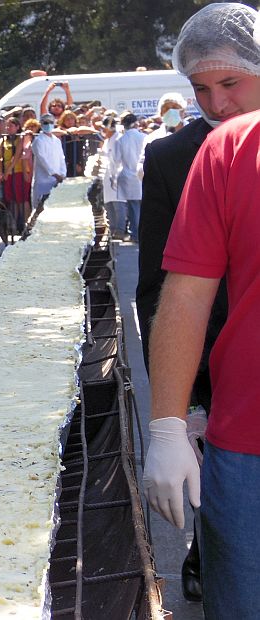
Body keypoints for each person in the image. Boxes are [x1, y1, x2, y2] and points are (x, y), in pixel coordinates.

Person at [136, 2, 260, 602]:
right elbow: (169, 295)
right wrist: (173, 416)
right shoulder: (199, 155)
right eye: (201, 87)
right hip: (234, 408)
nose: (215, 103)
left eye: (229, 84)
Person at [110, 112, 144, 242]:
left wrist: (113, 177)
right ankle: (140, 234)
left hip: (128, 177)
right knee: (141, 208)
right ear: (136, 123)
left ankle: (135, 234)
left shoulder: (121, 140)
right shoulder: (144, 137)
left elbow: (116, 160)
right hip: (142, 175)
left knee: (133, 208)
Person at [29, 113, 66, 224]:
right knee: (39, 207)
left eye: (50, 122)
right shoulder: (38, 141)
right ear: (41, 124)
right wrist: (54, 173)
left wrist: (63, 174)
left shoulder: (57, 140)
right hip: (42, 180)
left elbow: (61, 158)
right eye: (45, 122)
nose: (48, 125)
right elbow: (42, 159)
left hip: (57, 180)